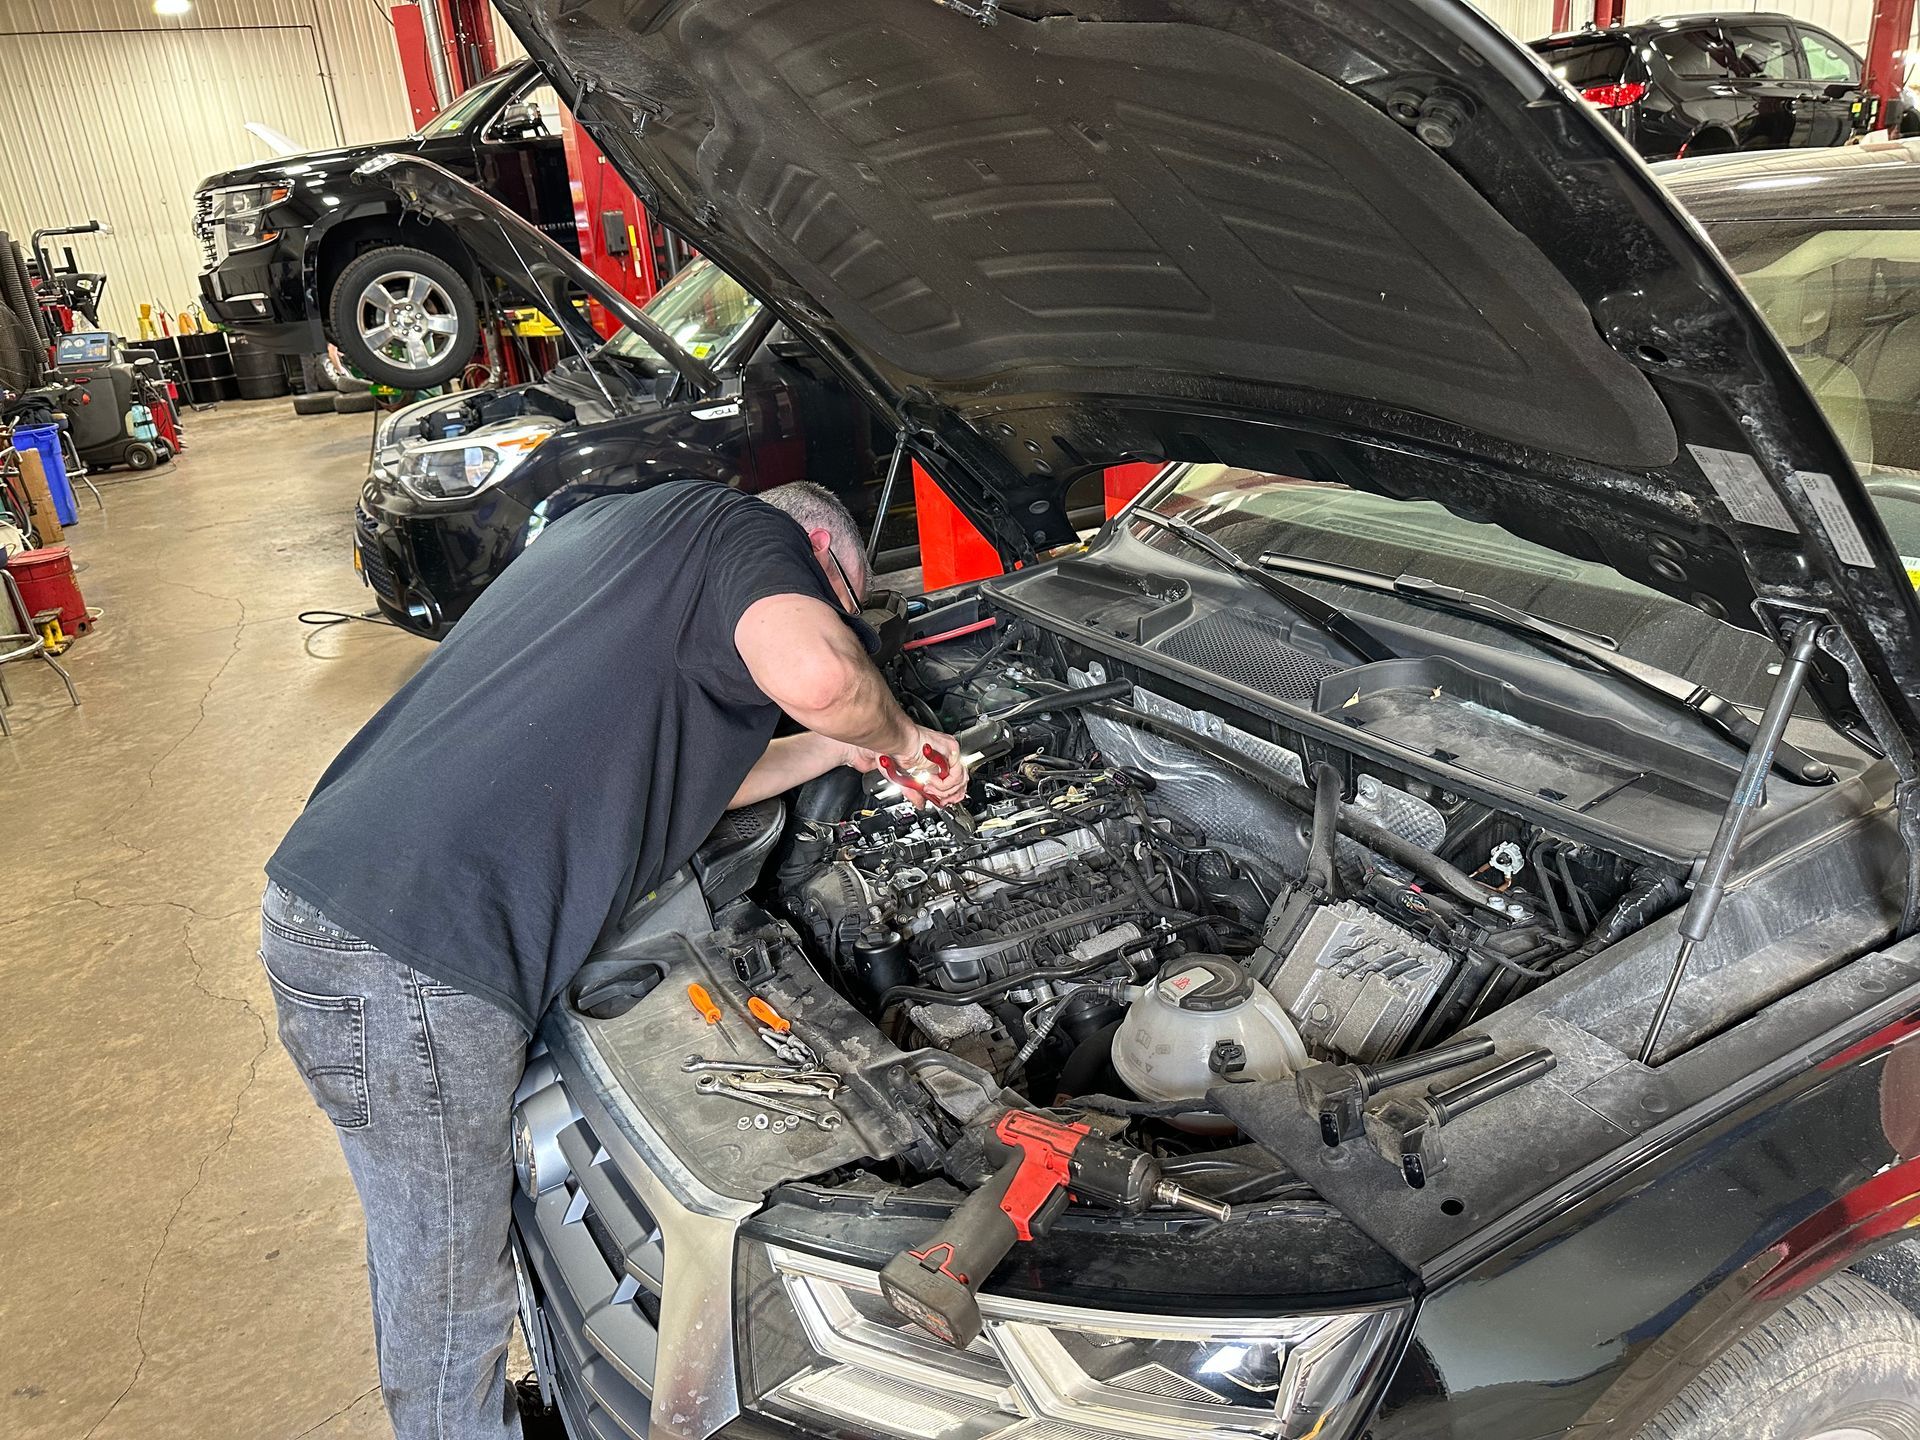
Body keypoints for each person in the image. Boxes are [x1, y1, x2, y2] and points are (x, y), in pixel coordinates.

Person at [258, 479, 966, 1438]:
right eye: (844, 603)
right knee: (449, 1286)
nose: (839, 618)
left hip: (353, 894)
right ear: (821, 560)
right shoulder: (753, 537)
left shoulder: (617, 527)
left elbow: (674, 780)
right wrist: (895, 731)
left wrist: (834, 756)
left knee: (449, 1235)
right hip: (409, 955)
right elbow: (825, 679)